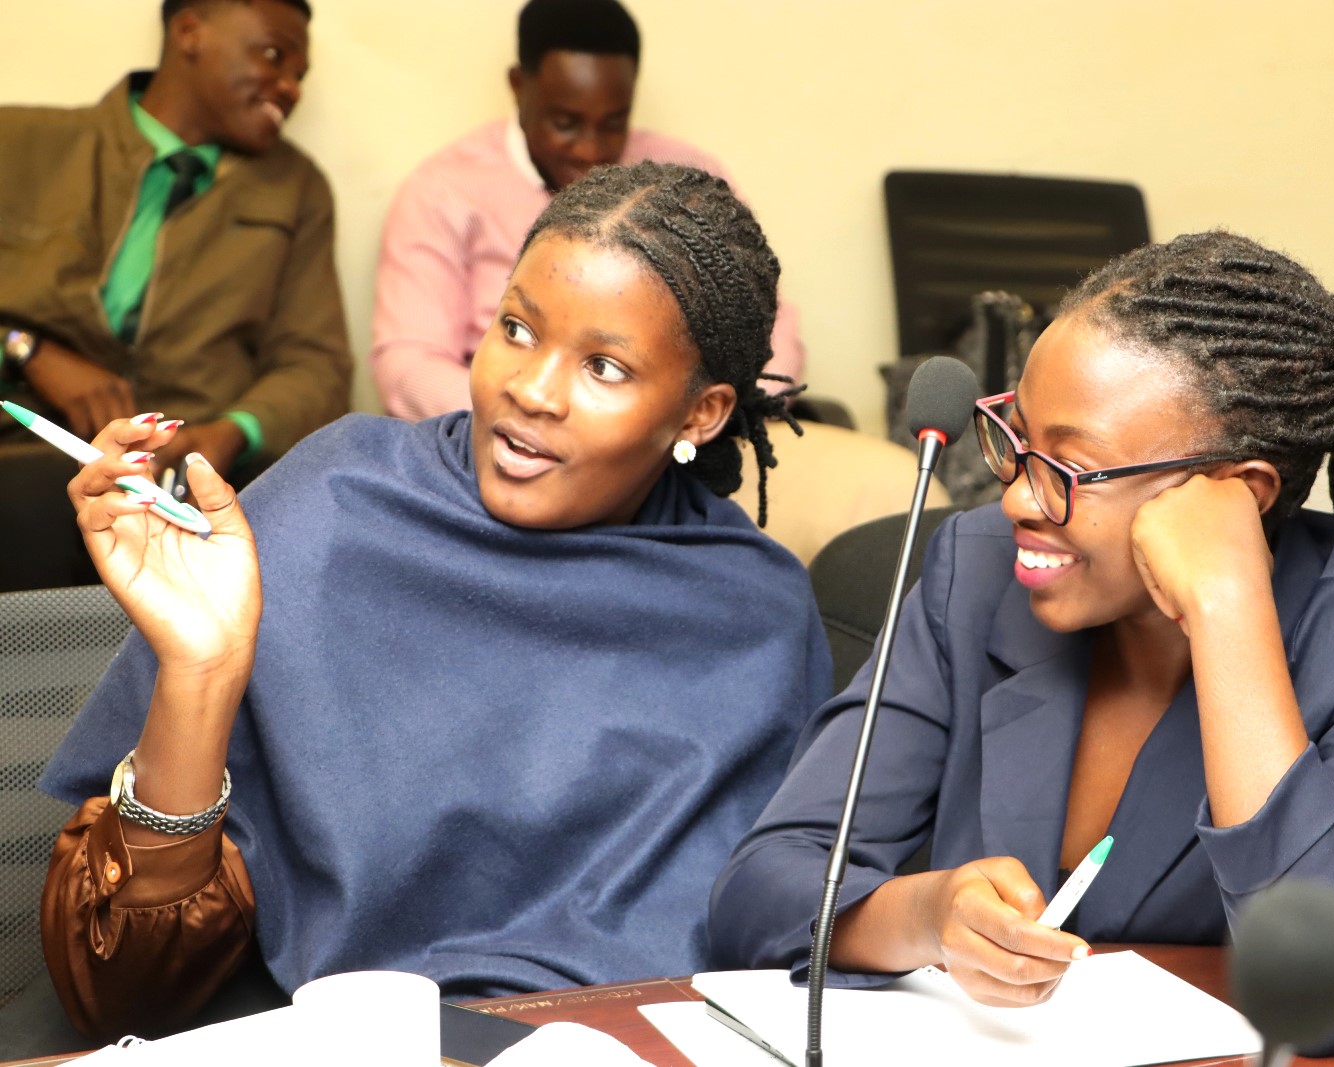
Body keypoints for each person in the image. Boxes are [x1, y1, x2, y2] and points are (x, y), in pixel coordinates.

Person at [33, 162, 831, 1045]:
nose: (531, 389)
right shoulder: (337, 502)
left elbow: (764, 969)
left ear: (701, 415)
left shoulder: (752, 617)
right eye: (517, 328)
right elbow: (121, 995)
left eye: (604, 366)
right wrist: (201, 670)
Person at [709, 231, 1334, 1054]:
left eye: (1070, 466)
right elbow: (760, 889)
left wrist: (1228, 608)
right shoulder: (978, 572)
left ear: (1236, 492)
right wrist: (926, 915)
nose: (1019, 497)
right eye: (1016, 439)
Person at [370, 0, 805, 422]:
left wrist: (714, 422)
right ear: (519, 87)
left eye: (614, 123)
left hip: (671, 447)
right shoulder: (445, 192)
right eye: (566, 123)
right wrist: (538, 422)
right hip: (501, 446)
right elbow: (408, 364)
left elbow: (770, 328)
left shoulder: (692, 182)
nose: (591, 150)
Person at [0, 0, 350, 491]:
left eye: (300, 74)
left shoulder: (295, 188)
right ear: (190, 33)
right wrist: (23, 350)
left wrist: (233, 433)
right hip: (21, 451)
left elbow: (316, 365)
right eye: (273, 56)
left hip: (178, 485)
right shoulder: (20, 144)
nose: (291, 87)